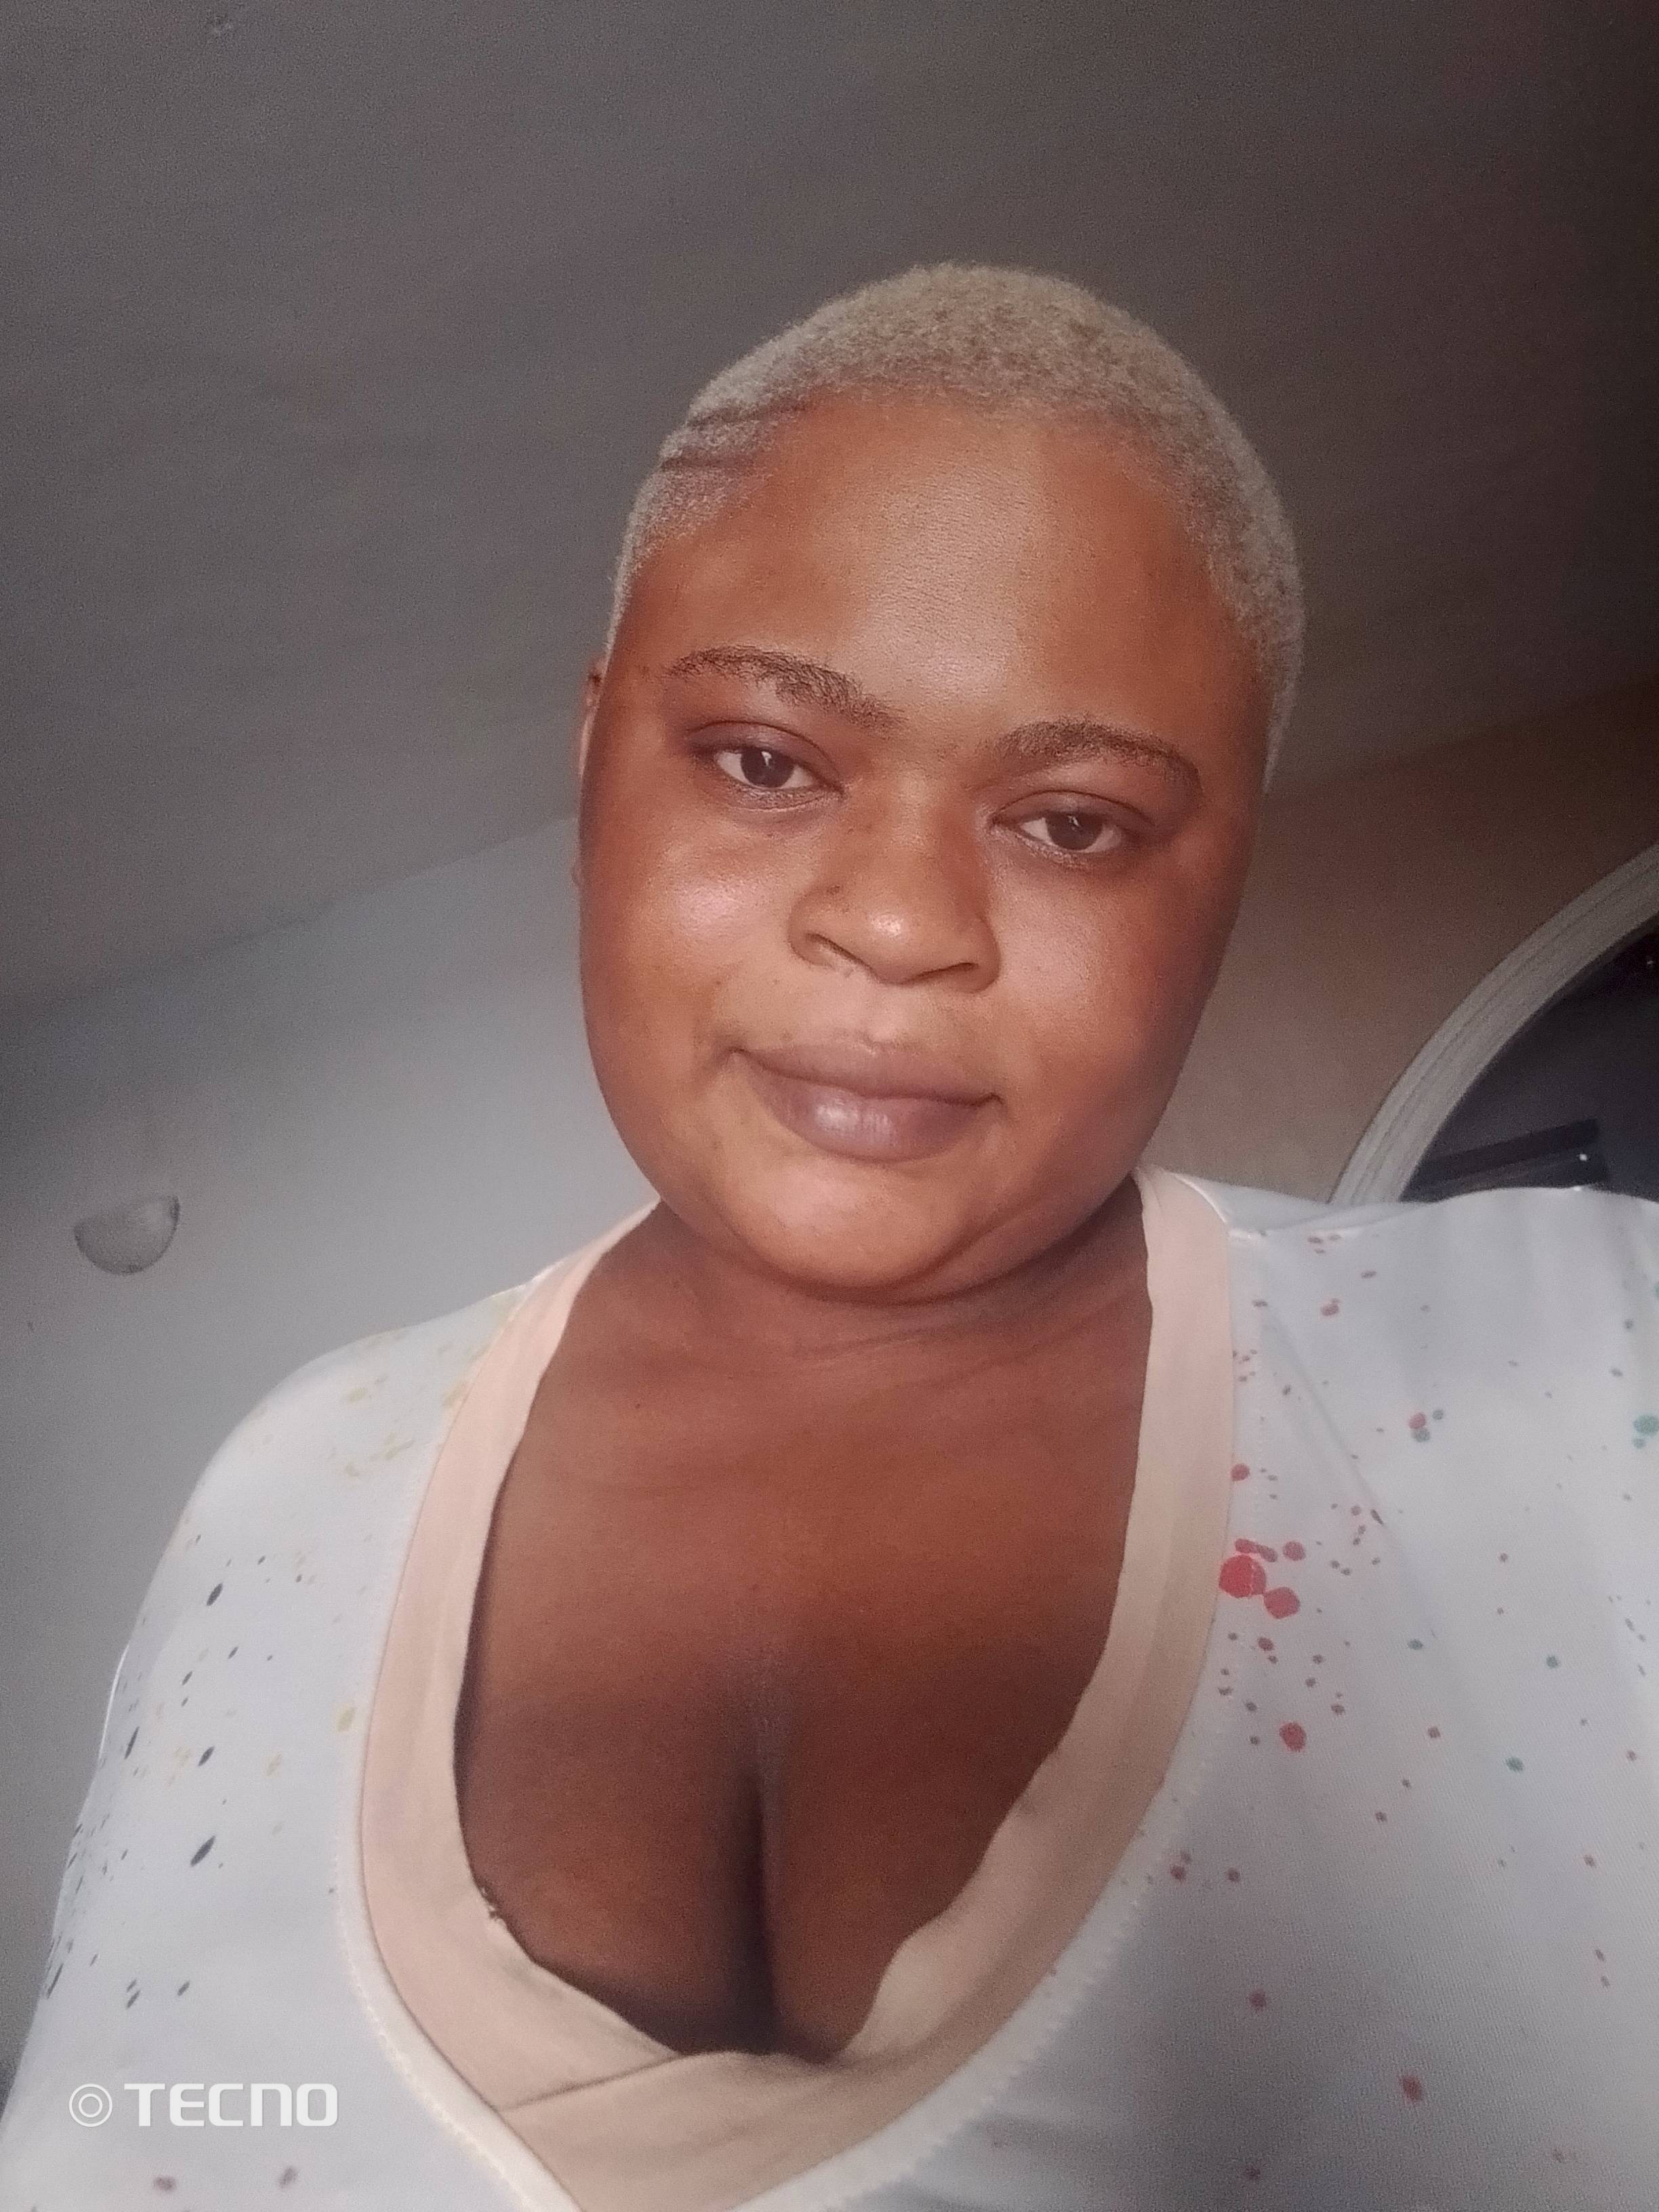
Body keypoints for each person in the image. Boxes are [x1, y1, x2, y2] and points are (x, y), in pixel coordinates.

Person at [2, 264, 1654, 2212]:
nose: (896, 922)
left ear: (1222, 887)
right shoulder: (288, 1488)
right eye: (768, 761)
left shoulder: (1587, 1371)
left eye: (1073, 821)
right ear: (595, 759)